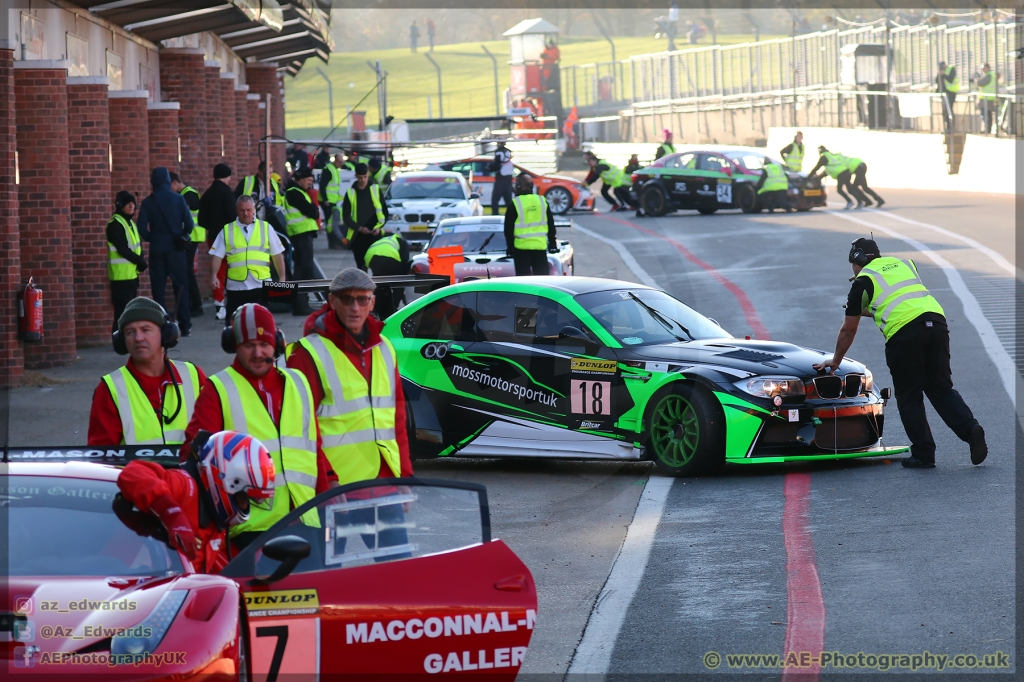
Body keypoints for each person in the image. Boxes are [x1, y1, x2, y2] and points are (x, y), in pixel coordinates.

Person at [813, 238, 987, 469]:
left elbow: (848, 330)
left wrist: (836, 361)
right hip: (936, 323)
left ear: (857, 260)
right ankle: (970, 429)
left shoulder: (862, 282)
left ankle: (924, 454)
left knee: (909, 395)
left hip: (904, 336)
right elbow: (896, 300)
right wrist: (866, 310)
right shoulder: (905, 264)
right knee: (940, 387)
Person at [181, 303, 335, 547]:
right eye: (249, 345)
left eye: (264, 345)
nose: (258, 353)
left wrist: (326, 500)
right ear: (234, 346)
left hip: (305, 519)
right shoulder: (217, 389)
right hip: (250, 530)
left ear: (277, 343)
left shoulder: (299, 382)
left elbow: (313, 448)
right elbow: (195, 457)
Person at [286, 268, 414, 488]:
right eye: (347, 300)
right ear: (332, 301)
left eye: (362, 300)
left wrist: (405, 475)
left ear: (372, 303)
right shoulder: (307, 354)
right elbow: (298, 427)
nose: (355, 308)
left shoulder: (384, 348)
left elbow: (397, 418)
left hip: (388, 479)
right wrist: (327, 479)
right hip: (340, 485)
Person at [116, 430, 276, 573]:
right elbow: (133, 472)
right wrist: (171, 513)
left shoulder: (217, 521)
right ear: (225, 481)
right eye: (244, 498)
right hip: (142, 588)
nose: (245, 506)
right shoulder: (185, 486)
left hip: (184, 594)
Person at [88, 297, 205, 446]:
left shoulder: (193, 375)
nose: (138, 338)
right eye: (130, 332)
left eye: (146, 330)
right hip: (134, 470)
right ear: (122, 340)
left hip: (188, 469)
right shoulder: (110, 389)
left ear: (165, 334)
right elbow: (102, 457)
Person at [208, 195, 286, 322]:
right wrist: (213, 275)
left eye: (249, 210)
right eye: (242, 210)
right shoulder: (227, 230)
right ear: (236, 210)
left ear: (254, 209)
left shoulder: (266, 228)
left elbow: (277, 255)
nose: (245, 213)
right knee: (233, 325)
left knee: (262, 324)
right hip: (236, 287)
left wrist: (282, 278)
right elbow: (217, 255)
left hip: (261, 285)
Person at [137, 167, 194, 336]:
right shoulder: (178, 199)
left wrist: (152, 237)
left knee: (158, 287)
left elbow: (141, 228)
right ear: (168, 181)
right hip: (176, 249)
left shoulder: (148, 202)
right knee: (181, 286)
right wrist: (181, 235)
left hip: (158, 248)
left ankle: (162, 322)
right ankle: (184, 324)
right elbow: (189, 225)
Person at [198, 163, 238, 320]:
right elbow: (232, 216)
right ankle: (228, 302)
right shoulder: (228, 193)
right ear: (226, 176)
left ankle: (218, 302)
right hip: (228, 237)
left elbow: (201, 220)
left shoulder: (207, 194)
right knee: (231, 269)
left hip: (212, 237)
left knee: (217, 270)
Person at [106, 191, 148, 332]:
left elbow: (136, 246)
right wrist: (139, 261)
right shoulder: (116, 224)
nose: (131, 206)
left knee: (128, 310)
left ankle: (123, 338)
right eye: (128, 204)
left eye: (133, 204)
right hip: (120, 276)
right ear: (120, 205)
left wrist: (139, 261)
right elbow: (122, 249)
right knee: (122, 311)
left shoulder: (128, 223)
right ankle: (119, 339)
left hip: (131, 274)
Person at [504, 174, 557, 276]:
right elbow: (551, 224)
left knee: (523, 282)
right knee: (542, 281)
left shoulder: (515, 203)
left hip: (521, 249)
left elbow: (508, 229)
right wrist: (552, 243)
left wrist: (510, 247)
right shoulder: (542, 201)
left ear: (519, 186)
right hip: (540, 247)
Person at [284, 166, 320, 315]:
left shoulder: (298, 192)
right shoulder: (294, 193)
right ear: (300, 179)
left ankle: (301, 303)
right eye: (308, 180)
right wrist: (312, 204)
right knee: (303, 270)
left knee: (304, 269)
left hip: (303, 235)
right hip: (301, 235)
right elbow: (313, 211)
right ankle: (300, 304)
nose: (310, 183)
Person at [342, 162, 389, 272]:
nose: (363, 180)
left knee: (378, 266)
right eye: (360, 177)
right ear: (355, 176)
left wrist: (379, 227)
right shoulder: (350, 193)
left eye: (365, 177)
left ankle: (378, 289)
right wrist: (360, 228)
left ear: (368, 175)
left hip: (375, 234)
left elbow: (385, 212)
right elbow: (346, 217)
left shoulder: (375, 189)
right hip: (358, 236)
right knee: (361, 267)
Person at [170, 173, 204, 318]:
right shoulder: (186, 194)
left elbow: (190, 209)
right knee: (186, 271)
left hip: (191, 237)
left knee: (187, 272)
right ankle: (191, 305)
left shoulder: (189, 194)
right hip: (189, 237)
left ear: (174, 182)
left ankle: (195, 305)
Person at [363, 231, 410, 318]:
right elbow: (405, 260)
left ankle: (378, 308)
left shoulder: (378, 242)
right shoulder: (399, 239)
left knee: (380, 284)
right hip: (391, 258)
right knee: (399, 283)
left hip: (373, 260)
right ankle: (393, 308)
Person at [808, 145, 865, 210]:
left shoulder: (823, 158)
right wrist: (820, 177)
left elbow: (816, 168)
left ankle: (850, 202)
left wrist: (809, 176)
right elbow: (827, 171)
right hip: (847, 171)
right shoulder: (831, 155)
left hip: (841, 173)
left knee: (839, 190)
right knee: (850, 188)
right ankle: (860, 202)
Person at [319, 152, 346, 250]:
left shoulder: (334, 169)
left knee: (332, 222)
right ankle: (332, 243)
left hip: (332, 200)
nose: (341, 164)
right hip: (328, 201)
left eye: (342, 162)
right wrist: (325, 199)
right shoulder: (329, 170)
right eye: (339, 162)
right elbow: (323, 185)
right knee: (330, 223)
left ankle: (333, 243)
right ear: (334, 160)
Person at [490, 140, 514, 216]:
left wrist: (490, 168)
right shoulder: (508, 152)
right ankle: (511, 216)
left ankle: (495, 215)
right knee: (508, 200)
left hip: (501, 179)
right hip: (508, 179)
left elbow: (496, 165)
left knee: (495, 200)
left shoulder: (499, 152)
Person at [975, 64, 999, 134]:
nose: (983, 70)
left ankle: (987, 129)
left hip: (986, 98)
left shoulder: (989, 75)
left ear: (988, 68)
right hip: (990, 97)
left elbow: (980, 83)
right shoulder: (992, 74)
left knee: (985, 114)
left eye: (983, 68)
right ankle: (988, 129)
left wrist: (977, 80)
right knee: (988, 115)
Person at [937, 60, 959, 132]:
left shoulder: (951, 69)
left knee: (949, 110)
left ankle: (951, 127)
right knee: (944, 110)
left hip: (951, 93)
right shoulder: (941, 71)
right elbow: (937, 81)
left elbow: (950, 80)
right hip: (944, 93)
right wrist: (939, 74)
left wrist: (944, 74)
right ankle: (946, 127)